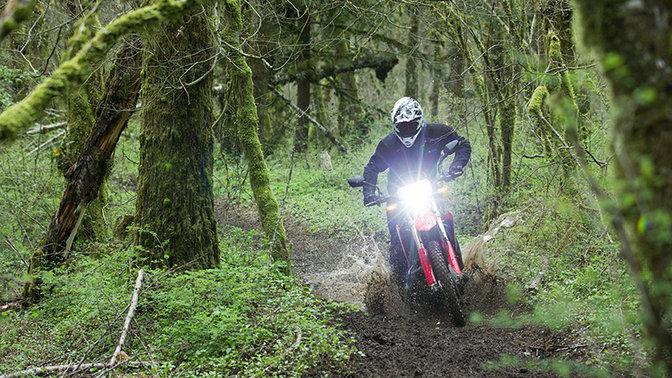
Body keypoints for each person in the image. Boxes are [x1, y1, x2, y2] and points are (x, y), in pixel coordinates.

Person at [361, 97, 471, 289]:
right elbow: (372, 167)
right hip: (398, 195)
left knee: (445, 220)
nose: (408, 130)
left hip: (432, 189)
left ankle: (459, 267)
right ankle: (399, 284)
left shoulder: (437, 132)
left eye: (411, 125)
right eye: (403, 126)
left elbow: (461, 144)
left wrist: (456, 166)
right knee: (396, 237)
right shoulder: (388, 144)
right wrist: (369, 192)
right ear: (395, 125)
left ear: (419, 121)